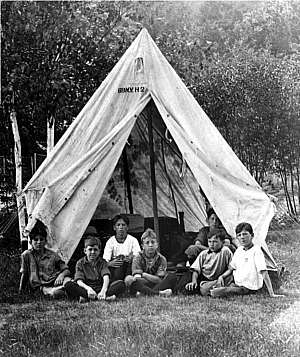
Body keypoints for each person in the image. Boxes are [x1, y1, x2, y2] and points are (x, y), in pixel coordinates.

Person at [210, 222, 284, 298]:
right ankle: (217, 289)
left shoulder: (256, 251)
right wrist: (221, 276)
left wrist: (272, 294)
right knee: (208, 288)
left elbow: (264, 273)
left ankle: (219, 291)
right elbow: (231, 268)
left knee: (218, 291)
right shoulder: (239, 250)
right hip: (236, 283)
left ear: (252, 236)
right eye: (239, 235)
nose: (242, 237)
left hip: (247, 288)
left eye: (245, 234)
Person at [19, 220, 71, 298]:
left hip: (55, 281)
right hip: (41, 286)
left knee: (69, 281)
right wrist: (20, 291)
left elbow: (66, 269)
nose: (39, 242)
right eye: (36, 240)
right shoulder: (26, 255)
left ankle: (73, 290)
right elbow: (24, 274)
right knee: (54, 293)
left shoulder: (53, 255)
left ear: (45, 241)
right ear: (30, 242)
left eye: (41, 239)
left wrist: (61, 275)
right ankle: (63, 292)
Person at [64, 236, 125, 302]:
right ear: (85, 251)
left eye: (95, 250)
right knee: (68, 285)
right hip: (86, 288)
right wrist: (88, 289)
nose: (93, 252)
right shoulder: (80, 263)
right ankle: (104, 298)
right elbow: (79, 280)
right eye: (90, 249)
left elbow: (106, 277)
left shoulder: (102, 262)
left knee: (121, 284)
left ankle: (89, 298)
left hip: (100, 287)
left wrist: (103, 291)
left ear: (99, 251)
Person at [184, 229, 233, 296]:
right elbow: (196, 270)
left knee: (230, 278)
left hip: (221, 277)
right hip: (206, 280)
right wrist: (194, 281)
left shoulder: (225, 251)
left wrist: (221, 276)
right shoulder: (204, 254)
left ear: (222, 242)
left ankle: (218, 288)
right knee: (202, 288)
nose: (211, 244)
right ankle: (218, 288)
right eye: (209, 242)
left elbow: (231, 268)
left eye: (215, 242)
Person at [129, 228, 174, 297]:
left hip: (157, 284)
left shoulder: (161, 259)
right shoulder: (137, 257)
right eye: (147, 243)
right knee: (129, 279)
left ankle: (144, 293)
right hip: (142, 283)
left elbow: (159, 280)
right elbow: (137, 277)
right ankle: (157, 293)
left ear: (157, 245)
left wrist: (143, 274)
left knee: (171, 277)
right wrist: (151, 278)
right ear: (142, 246)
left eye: (153, 242)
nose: (150, 245)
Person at [103, 214, 140, 286]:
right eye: (118, 225)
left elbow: (138, 255)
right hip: (116, 267)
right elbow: (105, 260)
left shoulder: (133, 240)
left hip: (129, 266)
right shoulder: (110, 241)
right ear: (114, 228)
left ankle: (126, 283)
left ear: (127, 227)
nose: (121, 227)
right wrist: (111, 263)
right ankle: (118, 284)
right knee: (118, 267)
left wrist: (131, 257)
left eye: (123, 225)